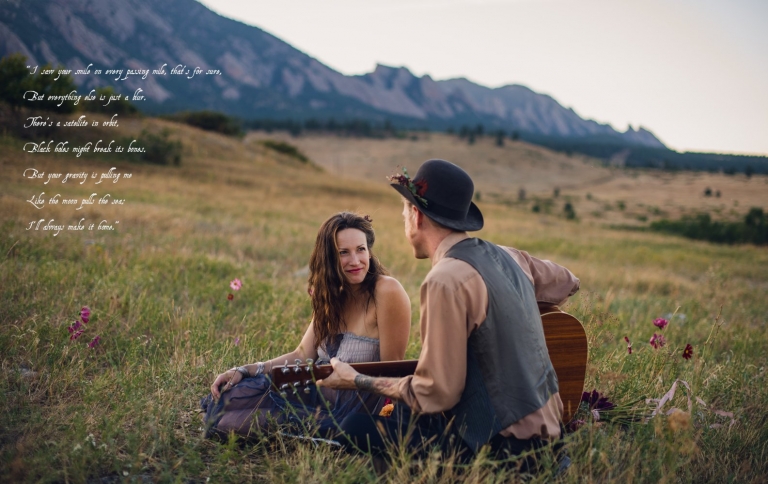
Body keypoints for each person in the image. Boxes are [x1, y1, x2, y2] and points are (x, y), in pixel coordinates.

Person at [318, 160, 580, 470]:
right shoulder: (509, 256)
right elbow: (568, 281)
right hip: (553, 438)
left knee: (357, 427)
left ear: (415, 216)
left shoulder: (445, 279)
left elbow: (436, 395)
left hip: (506, 453)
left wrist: (357, 379)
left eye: (404, 211)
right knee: (402, 414)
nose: (404, 219)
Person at [201, 212, 411, 440]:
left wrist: (386, 416)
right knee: (227, 405)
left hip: (357, 407)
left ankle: (316, 431)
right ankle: (304, 427)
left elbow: (394, 372)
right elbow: (301, 355)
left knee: (234, 422)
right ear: (329, 257)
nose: (355, 260)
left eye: (361, 249)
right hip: (314, 396)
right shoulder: (333, 295)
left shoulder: (387, 291)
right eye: (343, 252)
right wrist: (244, 370)